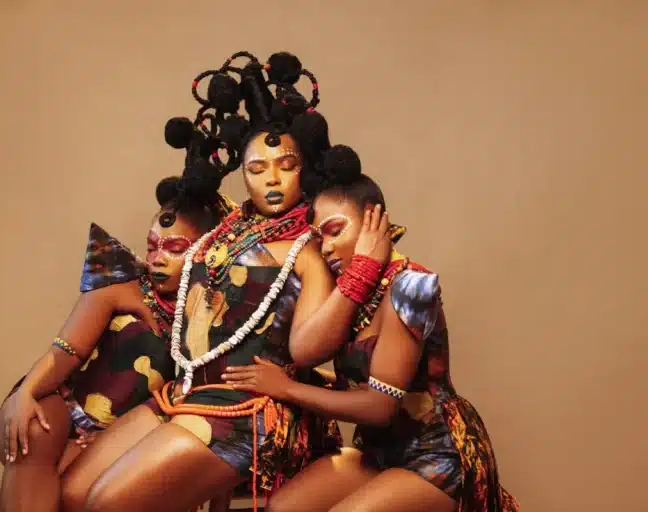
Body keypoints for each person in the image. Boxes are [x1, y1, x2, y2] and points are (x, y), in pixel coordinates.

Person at [59, 51, 358, 512]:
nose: (272, 179)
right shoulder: (220, 232)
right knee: (75, 494)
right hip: (184, 395)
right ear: (242, 173)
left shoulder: (310, 250)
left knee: (108, 504)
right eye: (257, 169)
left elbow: (308, 350)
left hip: (247, 411)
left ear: (307, 168)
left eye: (287, 165)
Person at [223, 167, 520, 511]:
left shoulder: (411, 286)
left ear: (372, 221)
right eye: (319, 239)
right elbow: (362, 376)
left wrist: (287, 389)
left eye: (335, 231)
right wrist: (308, 379)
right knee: (284, 507)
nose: (328, 248)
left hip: (436, 456)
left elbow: (380, 406)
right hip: (379, 453)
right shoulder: (354, 291)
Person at [0, 169, 235, 512]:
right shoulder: (121, 286)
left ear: (208, 250)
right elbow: (66, 350)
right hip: (58, 408)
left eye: (175, 248)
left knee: (46, 497)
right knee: (34, 430)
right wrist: (27, 392)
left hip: (117, 437)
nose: (158, 258)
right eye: (152, 246)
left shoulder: (216, 318)